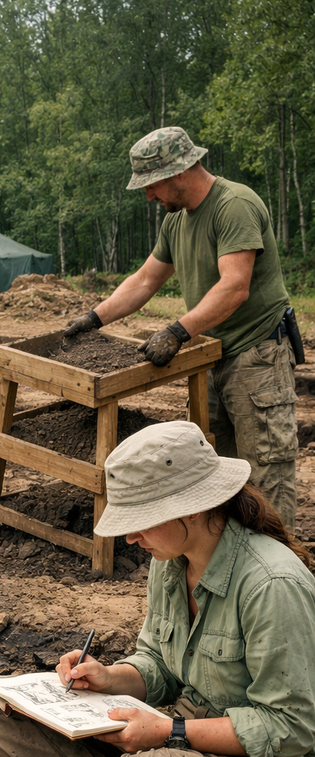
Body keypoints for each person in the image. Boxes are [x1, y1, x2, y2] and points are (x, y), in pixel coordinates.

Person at [0, 421, 315, 757]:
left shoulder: (272, 584)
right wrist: (110, 677)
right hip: (178, 738)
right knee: (5, 725)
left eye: (141, 521)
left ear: (192, 510)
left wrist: (170, 732)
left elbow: (290, 728)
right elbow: (158, 662)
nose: (131, 538)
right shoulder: (170, 563)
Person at [63, 127, 299, 530]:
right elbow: (144, 281)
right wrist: (94, 318)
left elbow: (234, 286)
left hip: (257, 357)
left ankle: (280, 573)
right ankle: (230, 566)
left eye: (152, 187)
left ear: (179, 172)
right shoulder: (177, 222)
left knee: (265, 474)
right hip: (211, 357)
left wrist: (176, 332)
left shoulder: (234, 205)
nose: (150, 197)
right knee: (216, 473)